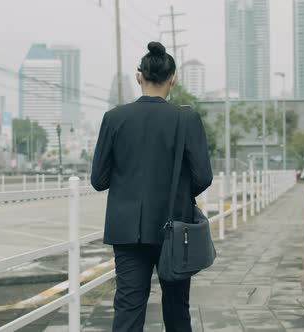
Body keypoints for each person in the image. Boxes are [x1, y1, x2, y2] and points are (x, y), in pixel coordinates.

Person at [91, 41, 213, 332]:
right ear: (173, 79)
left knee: (128, 309)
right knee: (176, 310)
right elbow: (203, 176)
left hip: (127, 230)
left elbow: (99, 180)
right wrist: (180, 193)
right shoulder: (187, 119)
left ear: (138, 77)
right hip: (176, 228)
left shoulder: (114, 118)